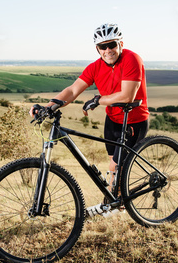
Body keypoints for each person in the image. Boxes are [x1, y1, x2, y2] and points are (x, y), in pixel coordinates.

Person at [30, 23, 149, 192]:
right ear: (97, 49)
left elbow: (127, 96)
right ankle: (116, 197)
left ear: (120, 44)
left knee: (117, 165)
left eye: (112, 45)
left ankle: (116, 202)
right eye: (102, 46)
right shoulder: (95, 67)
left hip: (134, 120)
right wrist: (48, 107)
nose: (108, 50)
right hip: (113, 120)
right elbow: (72, 90)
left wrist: (98, 100)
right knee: (113, 164)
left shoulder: (132, 59)